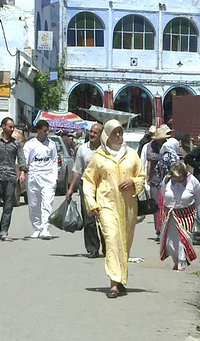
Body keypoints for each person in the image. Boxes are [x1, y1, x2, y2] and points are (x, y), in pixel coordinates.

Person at [82, 119, 145, 299]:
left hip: (128, 206)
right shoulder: (100, 157)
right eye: (114, 133)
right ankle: (113, 283)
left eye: (120, 132)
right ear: (107, 135)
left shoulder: (132, 155)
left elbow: (141, 176)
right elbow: (88, 180)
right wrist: (92, 203)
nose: (118, 135)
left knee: (125, 242)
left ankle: (121, 279)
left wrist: (133, 182)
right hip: (106, 204)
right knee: (112, 239)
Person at [65, 123, 105, 258]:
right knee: (89, 219)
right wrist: (71, 189)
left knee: (104, 218)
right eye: (91, 132)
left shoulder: (107, 149)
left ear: (101, 135)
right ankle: (93, 248)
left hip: (103, 187)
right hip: (86, 185)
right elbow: (77, 170)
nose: (92, 134)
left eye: (95, 132)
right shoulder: (82, 149)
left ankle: (108, 247)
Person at [160, 162, 200, 271]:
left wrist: (189, 208)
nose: (178, 179)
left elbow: (199, 197)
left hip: (186, 214)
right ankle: (176, 259)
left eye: (180, 177)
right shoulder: (167, 180)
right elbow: (163, 193)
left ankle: (182, 261)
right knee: (169, 240)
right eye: (176, 177)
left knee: (183, 238)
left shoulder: (193, 181)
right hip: (170, 213)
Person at [24, 120, 58, 240]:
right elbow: (25, 161)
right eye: (44, 130)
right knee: (34, 204)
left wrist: (54, 178)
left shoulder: (52, 145)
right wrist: (23, 173)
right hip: (34, 176)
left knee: (47, 204)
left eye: (48, 130)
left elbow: (54, 162)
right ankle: (36, 228)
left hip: (47, 177)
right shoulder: (30, 144)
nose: (47, 133)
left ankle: (45, 229)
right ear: (38, 130)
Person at [147, 125, 172, 240]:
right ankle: (158, 230)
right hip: (155, 180)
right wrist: (162, 157)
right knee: (156, 206)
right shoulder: (151, 145)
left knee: (167, 206)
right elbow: (149, 156)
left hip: (167, 180)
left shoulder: (168, 145)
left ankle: (166, 229)